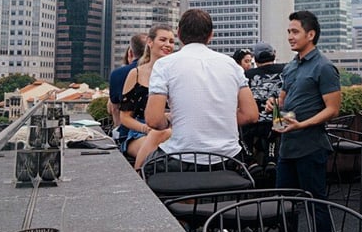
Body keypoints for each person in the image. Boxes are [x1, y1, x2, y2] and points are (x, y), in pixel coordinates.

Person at [146, 9, 258, 159]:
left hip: (180, 158)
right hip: (228, 158)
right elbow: (250, 115)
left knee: (145, 169)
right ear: (211, 35)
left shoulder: (164, 65)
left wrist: (169, 120)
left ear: (179, 33)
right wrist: (217, 119)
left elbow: (153, 120)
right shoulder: (232, 65)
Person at [271, 10, 342, 232]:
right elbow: (283, 101)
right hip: (287, 146)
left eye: (295, 31)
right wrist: (273, 106)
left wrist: (302, 125)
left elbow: (333, 109)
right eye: (289, 32)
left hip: (311, 146)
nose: (290, 36)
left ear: (310, 34)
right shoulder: (291, 66)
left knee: (316, 205)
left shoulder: (323, 66)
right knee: (284, 204)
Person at [118, 25, 174, 169]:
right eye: (163, 40)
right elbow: (124, 117)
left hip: (171, 131)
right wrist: (146, 128)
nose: (168, 45)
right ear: (150, 42)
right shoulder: (135, 74)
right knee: (159, 138)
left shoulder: (177, 74)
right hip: (139, 134)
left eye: (171, 41)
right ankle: (139, 177)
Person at [243, 42, 285, 173]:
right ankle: (271, 158)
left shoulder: (248, 74)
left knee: (240, 128)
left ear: (255, 58)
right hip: (280, 122)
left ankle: (250, 160)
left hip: (255, 122)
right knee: (277, 120)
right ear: (274, 55)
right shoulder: (286, 69)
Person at [108, 33, 148, 140]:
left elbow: (115, 108)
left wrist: (118, 130)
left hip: (128, 132)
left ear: (130, 52)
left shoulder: (118, 74)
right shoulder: (161, 70)